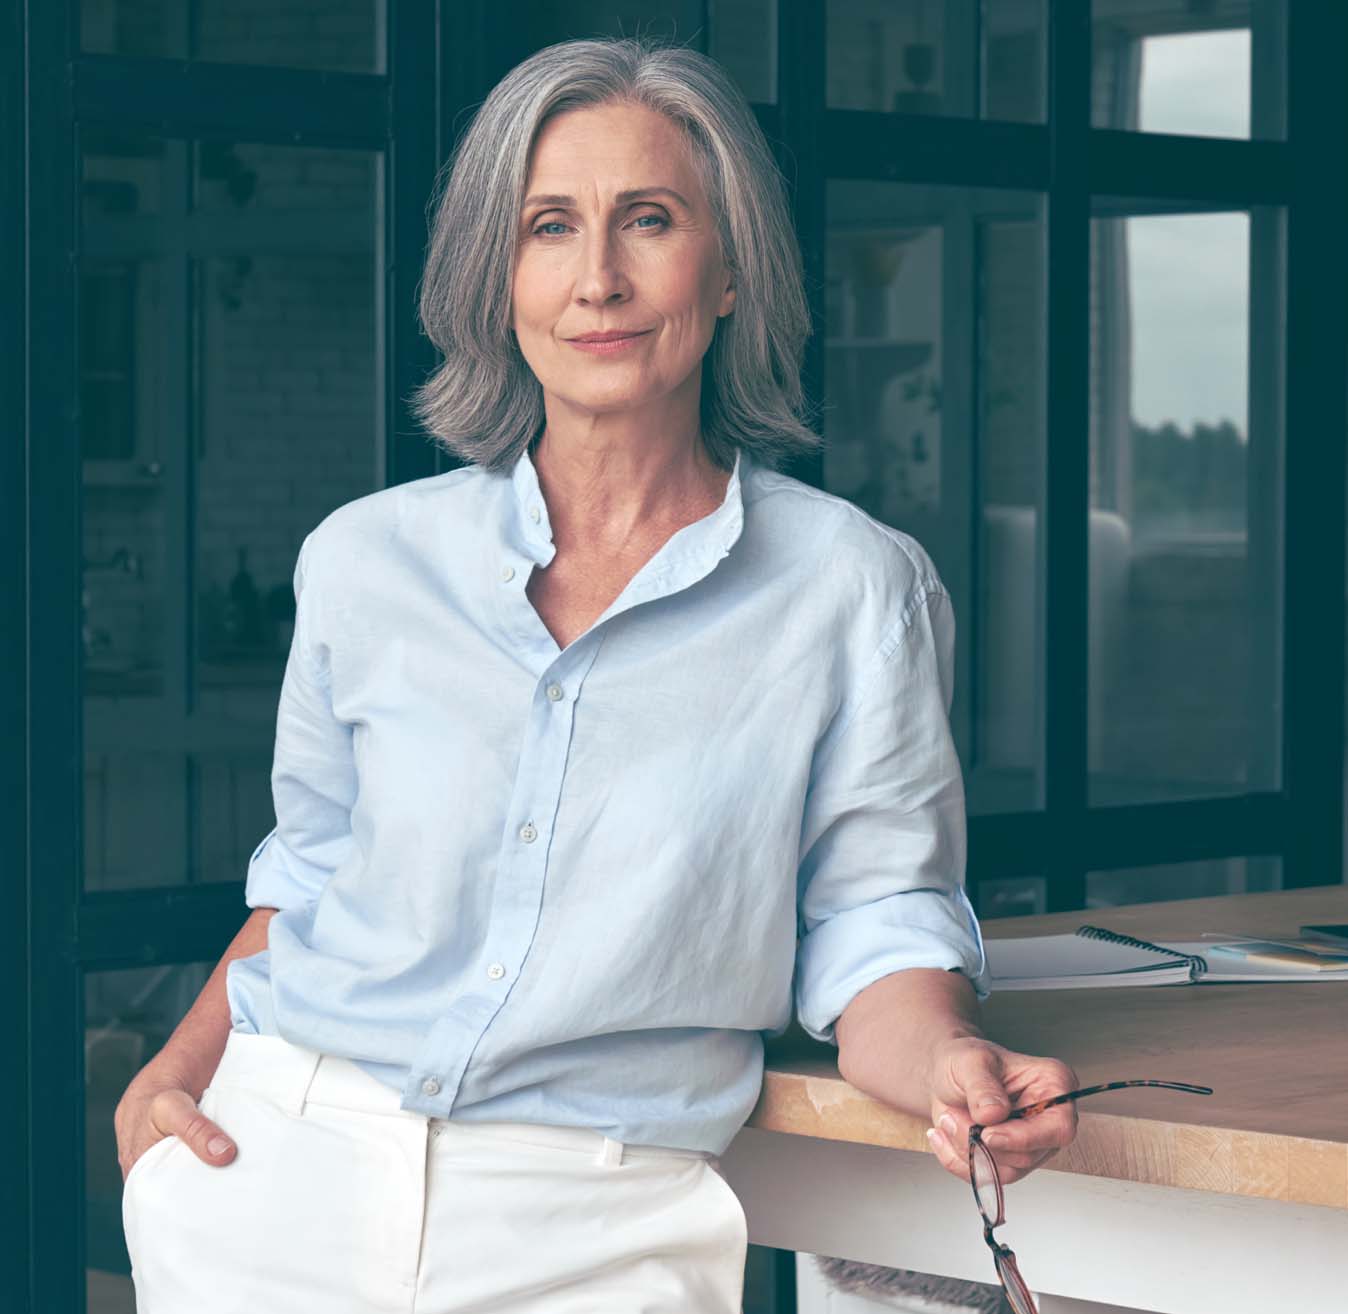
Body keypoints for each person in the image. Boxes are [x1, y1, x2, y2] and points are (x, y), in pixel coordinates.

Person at [114, 34, 1079, 1313]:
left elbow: (875, 925)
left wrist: (954, 1055)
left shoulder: (851, 587)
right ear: (496, 277)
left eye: (650, 220)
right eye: (549, 227)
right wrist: (169, 1075)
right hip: (277, 1169)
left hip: (599, 1217)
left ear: (728, 268)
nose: (600, 279)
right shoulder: (364, 560)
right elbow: (307, 878)